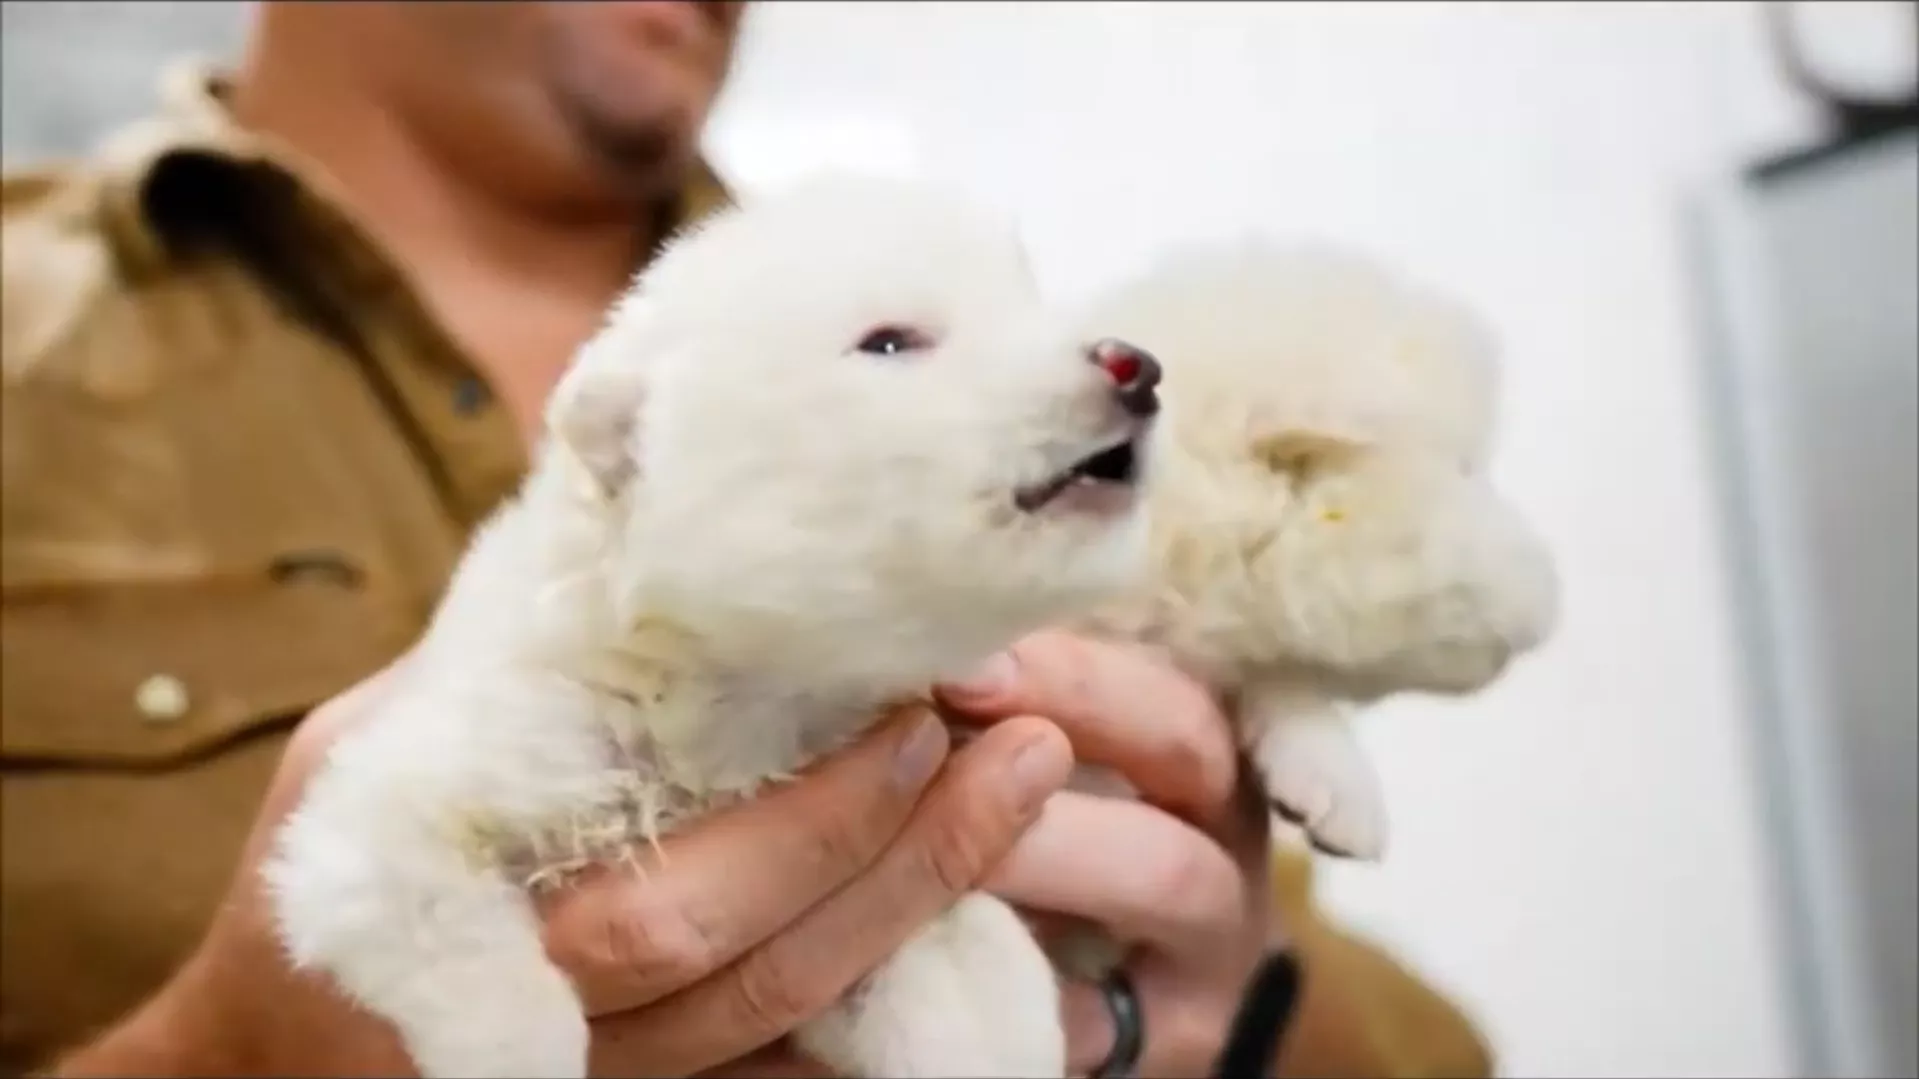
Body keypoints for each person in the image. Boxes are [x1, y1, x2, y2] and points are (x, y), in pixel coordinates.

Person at [0, 3, 1494, 1076]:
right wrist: (226, 1058)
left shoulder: (994, 385)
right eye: (893, 344)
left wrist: (1217, 1022)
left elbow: (1400, 1035)